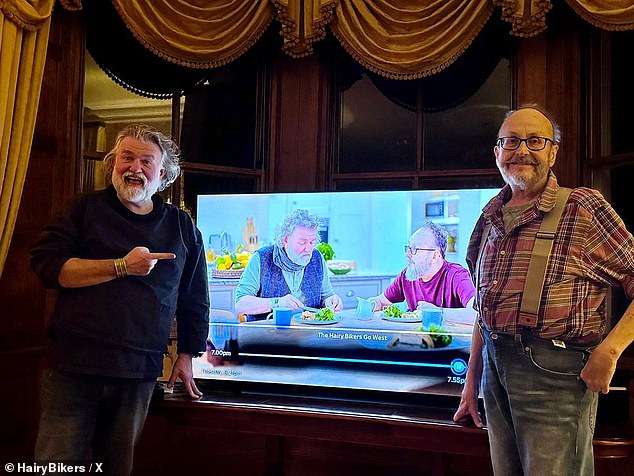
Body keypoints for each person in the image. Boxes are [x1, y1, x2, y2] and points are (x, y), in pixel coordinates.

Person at [453, 105, 634, 476]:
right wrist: (471, 382)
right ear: (497, 152)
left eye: (535, 141)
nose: (522, 150)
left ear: (553, 152)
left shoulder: (582, 208)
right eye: (511, 141)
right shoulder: (487, 217)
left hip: (556, 374)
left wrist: (611, 350)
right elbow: (482, 309)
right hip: (493, 370)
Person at [30, 124, 210, 475]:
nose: (135, 168)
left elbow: (194, 297)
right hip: (73, 368)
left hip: (138, 373)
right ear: (112, 163)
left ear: (164, 174)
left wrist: (188, 355)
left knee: (115, 469)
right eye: (126, 158)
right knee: (55, 467)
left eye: (146, 162)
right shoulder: (84, 210)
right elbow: (47, 267)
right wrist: (122, 266)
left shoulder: (182, 227)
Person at [235, 209, 342, 320]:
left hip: (309, 332)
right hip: (268, 333)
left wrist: (331, 301)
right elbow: (240, 305)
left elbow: (327, 295)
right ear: (285, 239)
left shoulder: (317, 258)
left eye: (312, 242)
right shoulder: (262, 258)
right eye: (302, 242)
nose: (309, 249)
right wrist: (276, 303)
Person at [368, 221, 476, 317]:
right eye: (409, 248)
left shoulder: (457, 275)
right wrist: (371, 304)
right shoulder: (407, 275)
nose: (408, 254)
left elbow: (476, 313)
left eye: (415, 249)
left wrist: (437, 312)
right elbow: (381, 301)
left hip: (447, 338)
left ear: (435, 256)